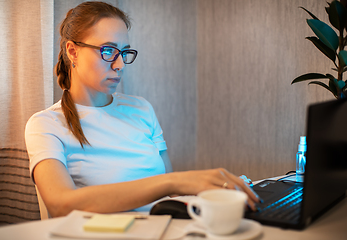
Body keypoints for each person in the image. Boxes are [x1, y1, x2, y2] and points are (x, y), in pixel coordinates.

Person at [25, 1, 260, 218]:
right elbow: (60, 205)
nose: (119, 65)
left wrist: (216, 196)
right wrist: (172, 182)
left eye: (124, 52)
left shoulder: (141, 109)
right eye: (108, 50)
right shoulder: (46, 125)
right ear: (73, 51)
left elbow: (173, 198)